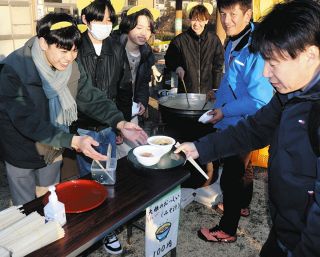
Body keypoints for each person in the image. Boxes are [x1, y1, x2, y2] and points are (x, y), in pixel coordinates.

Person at [175, 0, 320, 256]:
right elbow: (252, 129)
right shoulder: (288, 95)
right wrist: (199, 148)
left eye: (273, 63)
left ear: (310, 55)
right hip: (284, 230)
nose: (265, 73)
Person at [0, 12, 147, 207]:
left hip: (53, 146)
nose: (70, 58)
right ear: (43, 43)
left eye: (75, 50)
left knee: (49, 199)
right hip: (20, 147)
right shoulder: (13, 69)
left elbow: (88, 96)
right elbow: (27, 121)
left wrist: (119, 122)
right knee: (26, 207)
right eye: (63, 51)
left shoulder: (70, 66)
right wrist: (73, 140)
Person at [197, 0, 274, 243]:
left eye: (233, 14)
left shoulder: (256, 47)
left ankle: (227, 230)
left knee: (231, 175)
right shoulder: (234, 39)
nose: (226, 20)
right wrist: (220, 93)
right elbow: (237, 80)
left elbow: (259, 99)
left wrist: (224, 110)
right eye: (223, 13)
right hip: (235, 115)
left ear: (248, 13)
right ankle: (242, 205)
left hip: (243, 122)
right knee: (245, 168)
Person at [75, 0, 133, 179]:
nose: (105, 25)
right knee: (88, 176)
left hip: (109, 125)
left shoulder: (116, 48)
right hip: (83, 127)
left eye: (109, 21)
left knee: (108, 173)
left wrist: (121, 124)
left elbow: (124, 87)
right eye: (100, 20)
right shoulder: (74, 48)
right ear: (86, 19)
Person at [112, 7, 156, 158]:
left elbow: (143, 82)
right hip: (112, 113)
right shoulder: (112, 49)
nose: (144, 33)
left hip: (132, 112)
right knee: (112, 160)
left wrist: (142, 101)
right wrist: (116, 126)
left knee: (133, 155)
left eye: (148, 29)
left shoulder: (146, 53)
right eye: (139, 28)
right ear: (128, 26)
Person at [165, 4, 224, 93]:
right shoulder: (179, 40)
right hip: (186, 92)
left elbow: (218, 66)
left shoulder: (214, 40)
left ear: (206, 21)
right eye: (194, 19)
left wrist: (216, 89)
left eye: (200, 20)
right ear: (190, 20)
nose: (196, 24)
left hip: (208, 92)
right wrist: (177, 67)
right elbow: (169, 59)